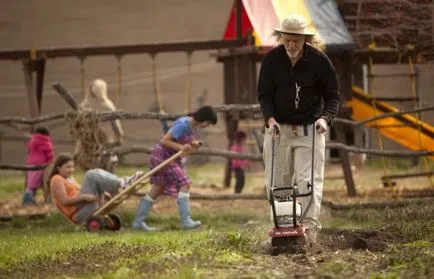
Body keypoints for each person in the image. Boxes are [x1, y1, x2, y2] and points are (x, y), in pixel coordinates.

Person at [257, 14, 341, 246]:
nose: (291, 45)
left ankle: (309, 231)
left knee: (308, 182)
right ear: (281, 38)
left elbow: (333, 95)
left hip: (310, 130)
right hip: (278, 130)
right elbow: (264, 95)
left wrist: (326, 118)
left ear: (305, 39)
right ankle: (281, 227)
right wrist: (269, 118)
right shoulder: (272, 59)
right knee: (277, 180)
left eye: (296, 40)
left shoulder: (319, 61)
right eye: (287, 41)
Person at [132, 106, 218, 231]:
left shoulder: (192, 125)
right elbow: (165, 140)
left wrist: (191, 144)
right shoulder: (183, 124)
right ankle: (186, 221)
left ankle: (137, 222)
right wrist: (181, 147)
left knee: (157, 189)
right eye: (209, 123)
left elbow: (180, 140)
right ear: (204, 119)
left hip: (170, 157)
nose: (208, 125)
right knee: (185, 183)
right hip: (164, 157)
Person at [48, 153, 143, 224]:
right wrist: (84, 197)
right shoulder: (56, 179)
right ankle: (123, 182)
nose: (71, 170)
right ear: (58, 168)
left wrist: (103, 193)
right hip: (79, 212)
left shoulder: (69, 178)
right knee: (90, 174)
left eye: (72, 167)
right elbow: (64, 200)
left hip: (84, 206)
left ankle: (122, 182)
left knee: (95, 172)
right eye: (67, 167)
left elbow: (80, 190)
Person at [23, 127, 55, 205]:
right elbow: (50, 154)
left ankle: (29, 199)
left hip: (30, 164)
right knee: (39, 183)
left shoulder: (32, 141)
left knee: (31, 183)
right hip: (40, 165)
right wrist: (51, 161)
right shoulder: (46, 142)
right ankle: (28, 200)